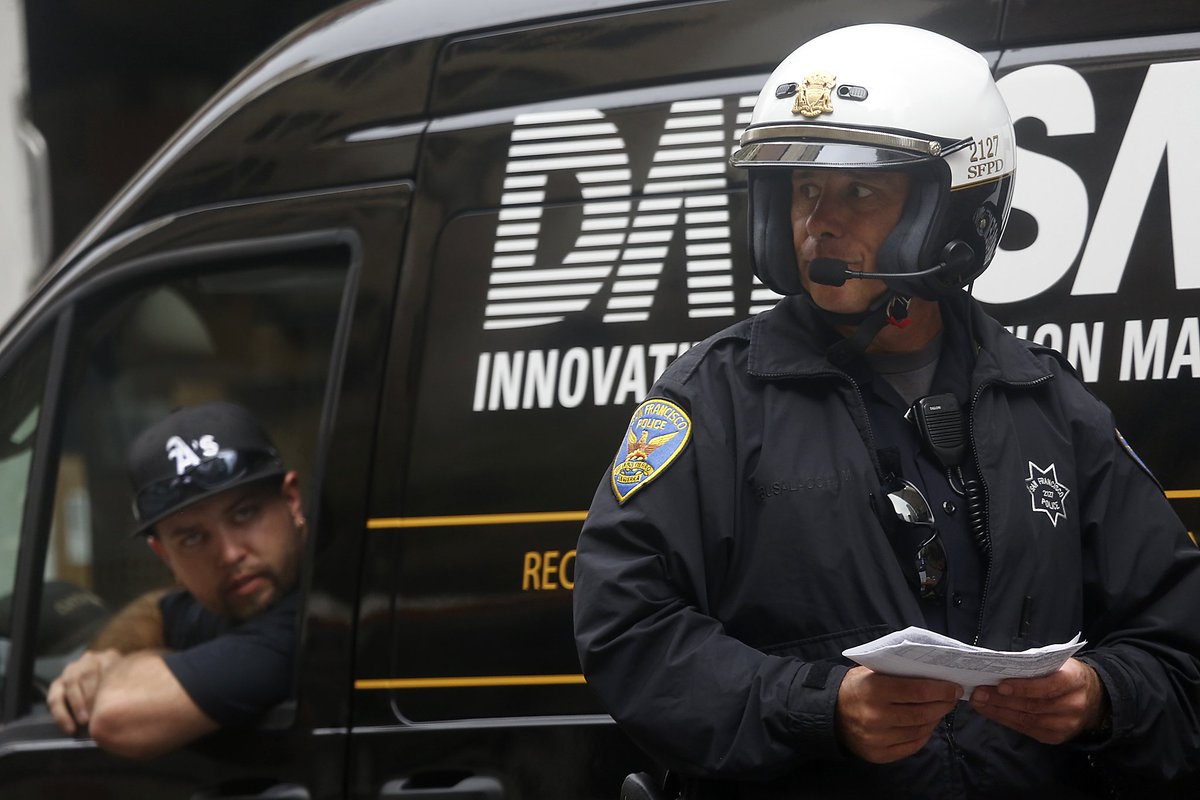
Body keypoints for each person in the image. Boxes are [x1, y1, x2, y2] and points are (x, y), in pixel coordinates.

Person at [573, 23, 1200, 799]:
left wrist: (1102, 698)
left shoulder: (1048, 402)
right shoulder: (715, 399)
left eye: (859, 191)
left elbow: (1176, 636)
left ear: (955, 209)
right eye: (804, 191)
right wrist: (819, 709)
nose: (819, 222)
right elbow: (628, 624)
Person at [47, 401, 307, 759]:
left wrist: (143, 661)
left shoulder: (308, 622)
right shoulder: (240, 595)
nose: (230, 554)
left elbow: (117, 717)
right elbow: (157, 609)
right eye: (193, 538)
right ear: (165, 555)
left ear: (292, 500)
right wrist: (103, 656)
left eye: (244, 514)